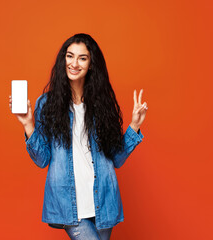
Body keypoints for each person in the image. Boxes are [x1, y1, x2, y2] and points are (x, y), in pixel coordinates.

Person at [9, 33, 148, 240]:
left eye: (82, 58)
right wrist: (29, 125)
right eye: (69, 56)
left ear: (91, 64)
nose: (74, 63)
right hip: (69, 205)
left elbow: (116, 158)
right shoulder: (47, 104)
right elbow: (42, 159)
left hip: (103, 202)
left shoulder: (102, 104)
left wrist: (134, 125)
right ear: (63, 59)